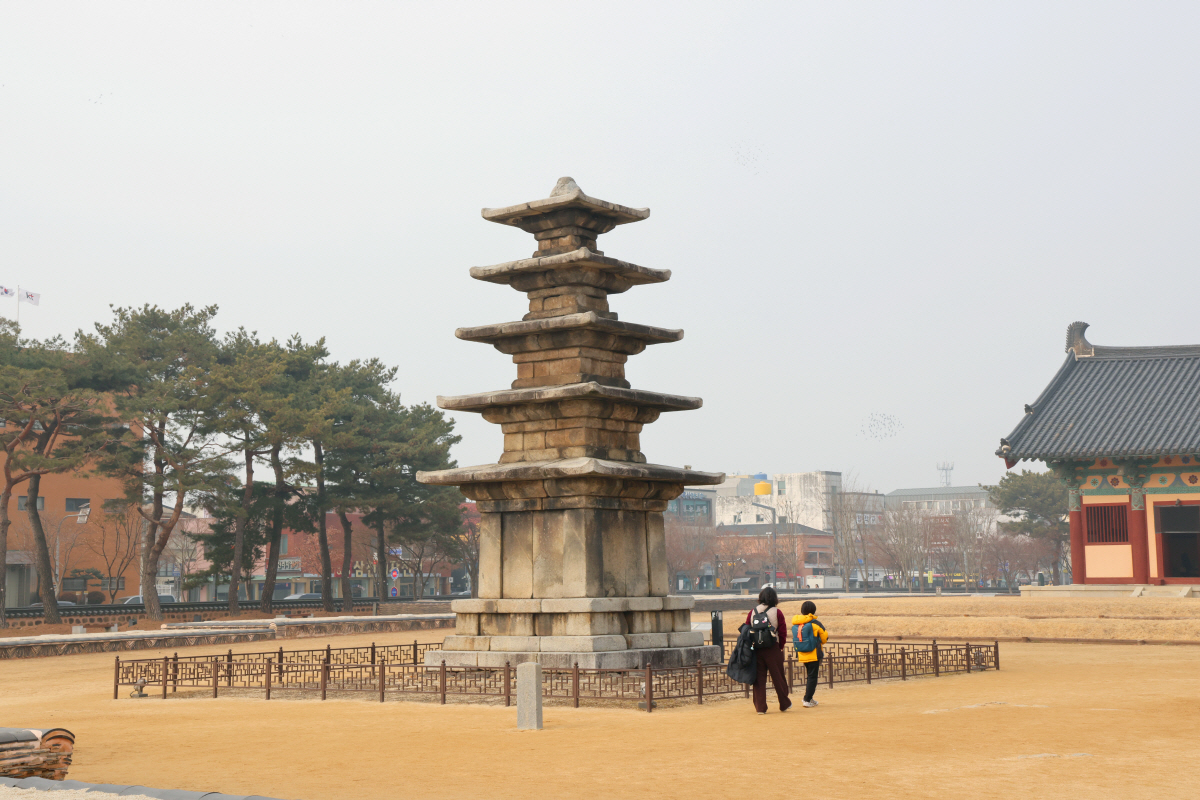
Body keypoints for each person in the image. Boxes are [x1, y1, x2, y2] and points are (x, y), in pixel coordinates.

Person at [744, 586, 791, 714]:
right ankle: (784, 703)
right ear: (774, 598)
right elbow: (782, 632)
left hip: (757, 649)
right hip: (772, 648)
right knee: (778, 677)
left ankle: (760, 707)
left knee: (759, 680)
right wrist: (780, 646)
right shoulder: (777, 612)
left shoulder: (753, 611)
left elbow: (747, 629)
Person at [791, 600, 828, 708]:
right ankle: (807, 699)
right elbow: (824, 638)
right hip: (814, 653)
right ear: (813, 610)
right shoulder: (815, 623)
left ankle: (809, 698)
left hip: (802, 653)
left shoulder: (798, 623)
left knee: (809, 676)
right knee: (812, 677)